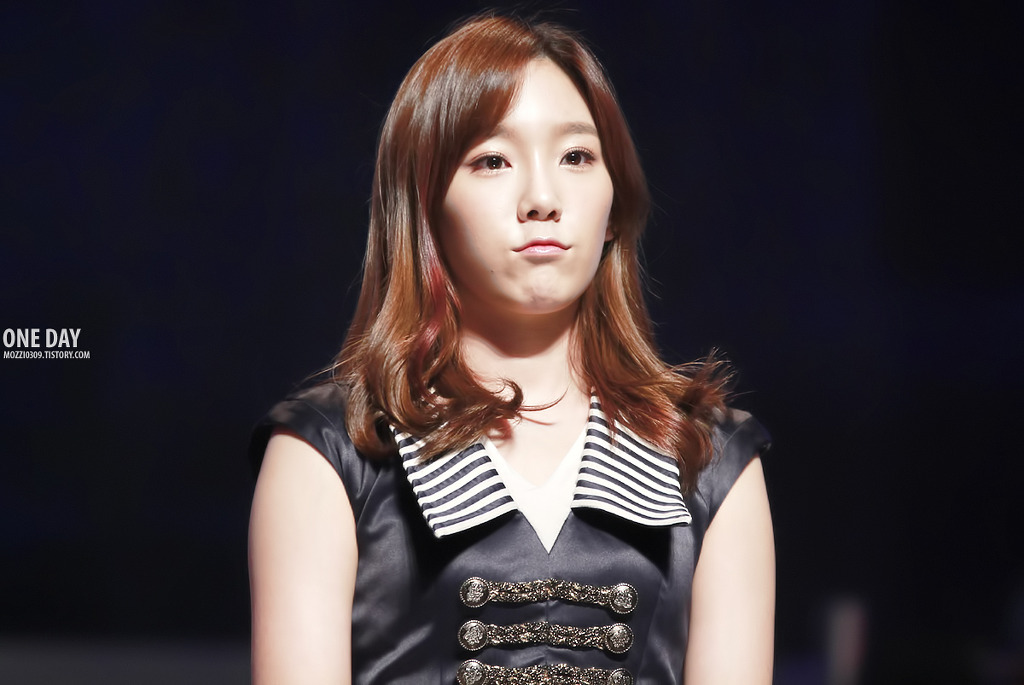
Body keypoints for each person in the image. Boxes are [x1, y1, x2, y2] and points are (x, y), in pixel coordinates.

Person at [248, 13, 774, 685]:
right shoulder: (333, 450)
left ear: (615, 205)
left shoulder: (708, 457)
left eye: (576, 157)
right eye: (493, 160)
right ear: (424, 203)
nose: (543, 198)